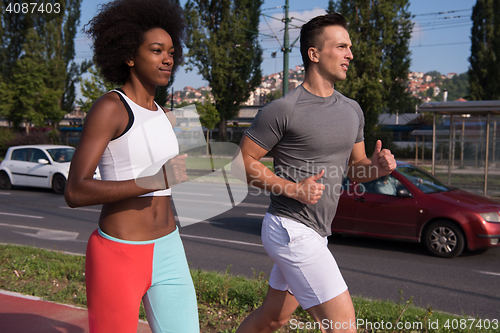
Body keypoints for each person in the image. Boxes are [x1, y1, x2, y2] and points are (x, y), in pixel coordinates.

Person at [235, 13, 396, 333]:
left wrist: (376, 168)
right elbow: (242, 163)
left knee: (273, 318)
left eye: (350, 47)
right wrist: (292, 189)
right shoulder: (283, 109)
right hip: (290, 229)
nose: (350, 54)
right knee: (343, 326)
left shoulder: (352, 110)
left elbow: (355, 168)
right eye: (341, 46)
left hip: (317, 232)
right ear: (314, 54)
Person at [64, 0, 199, 332]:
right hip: (118, 254)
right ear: (129, 55)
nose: (168, 58)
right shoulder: (111, 107)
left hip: (169, 247)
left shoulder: (162, 112)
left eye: (171, 51)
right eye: (156, 50)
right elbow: (75, 189)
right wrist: (153, 181)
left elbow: (169, 177)